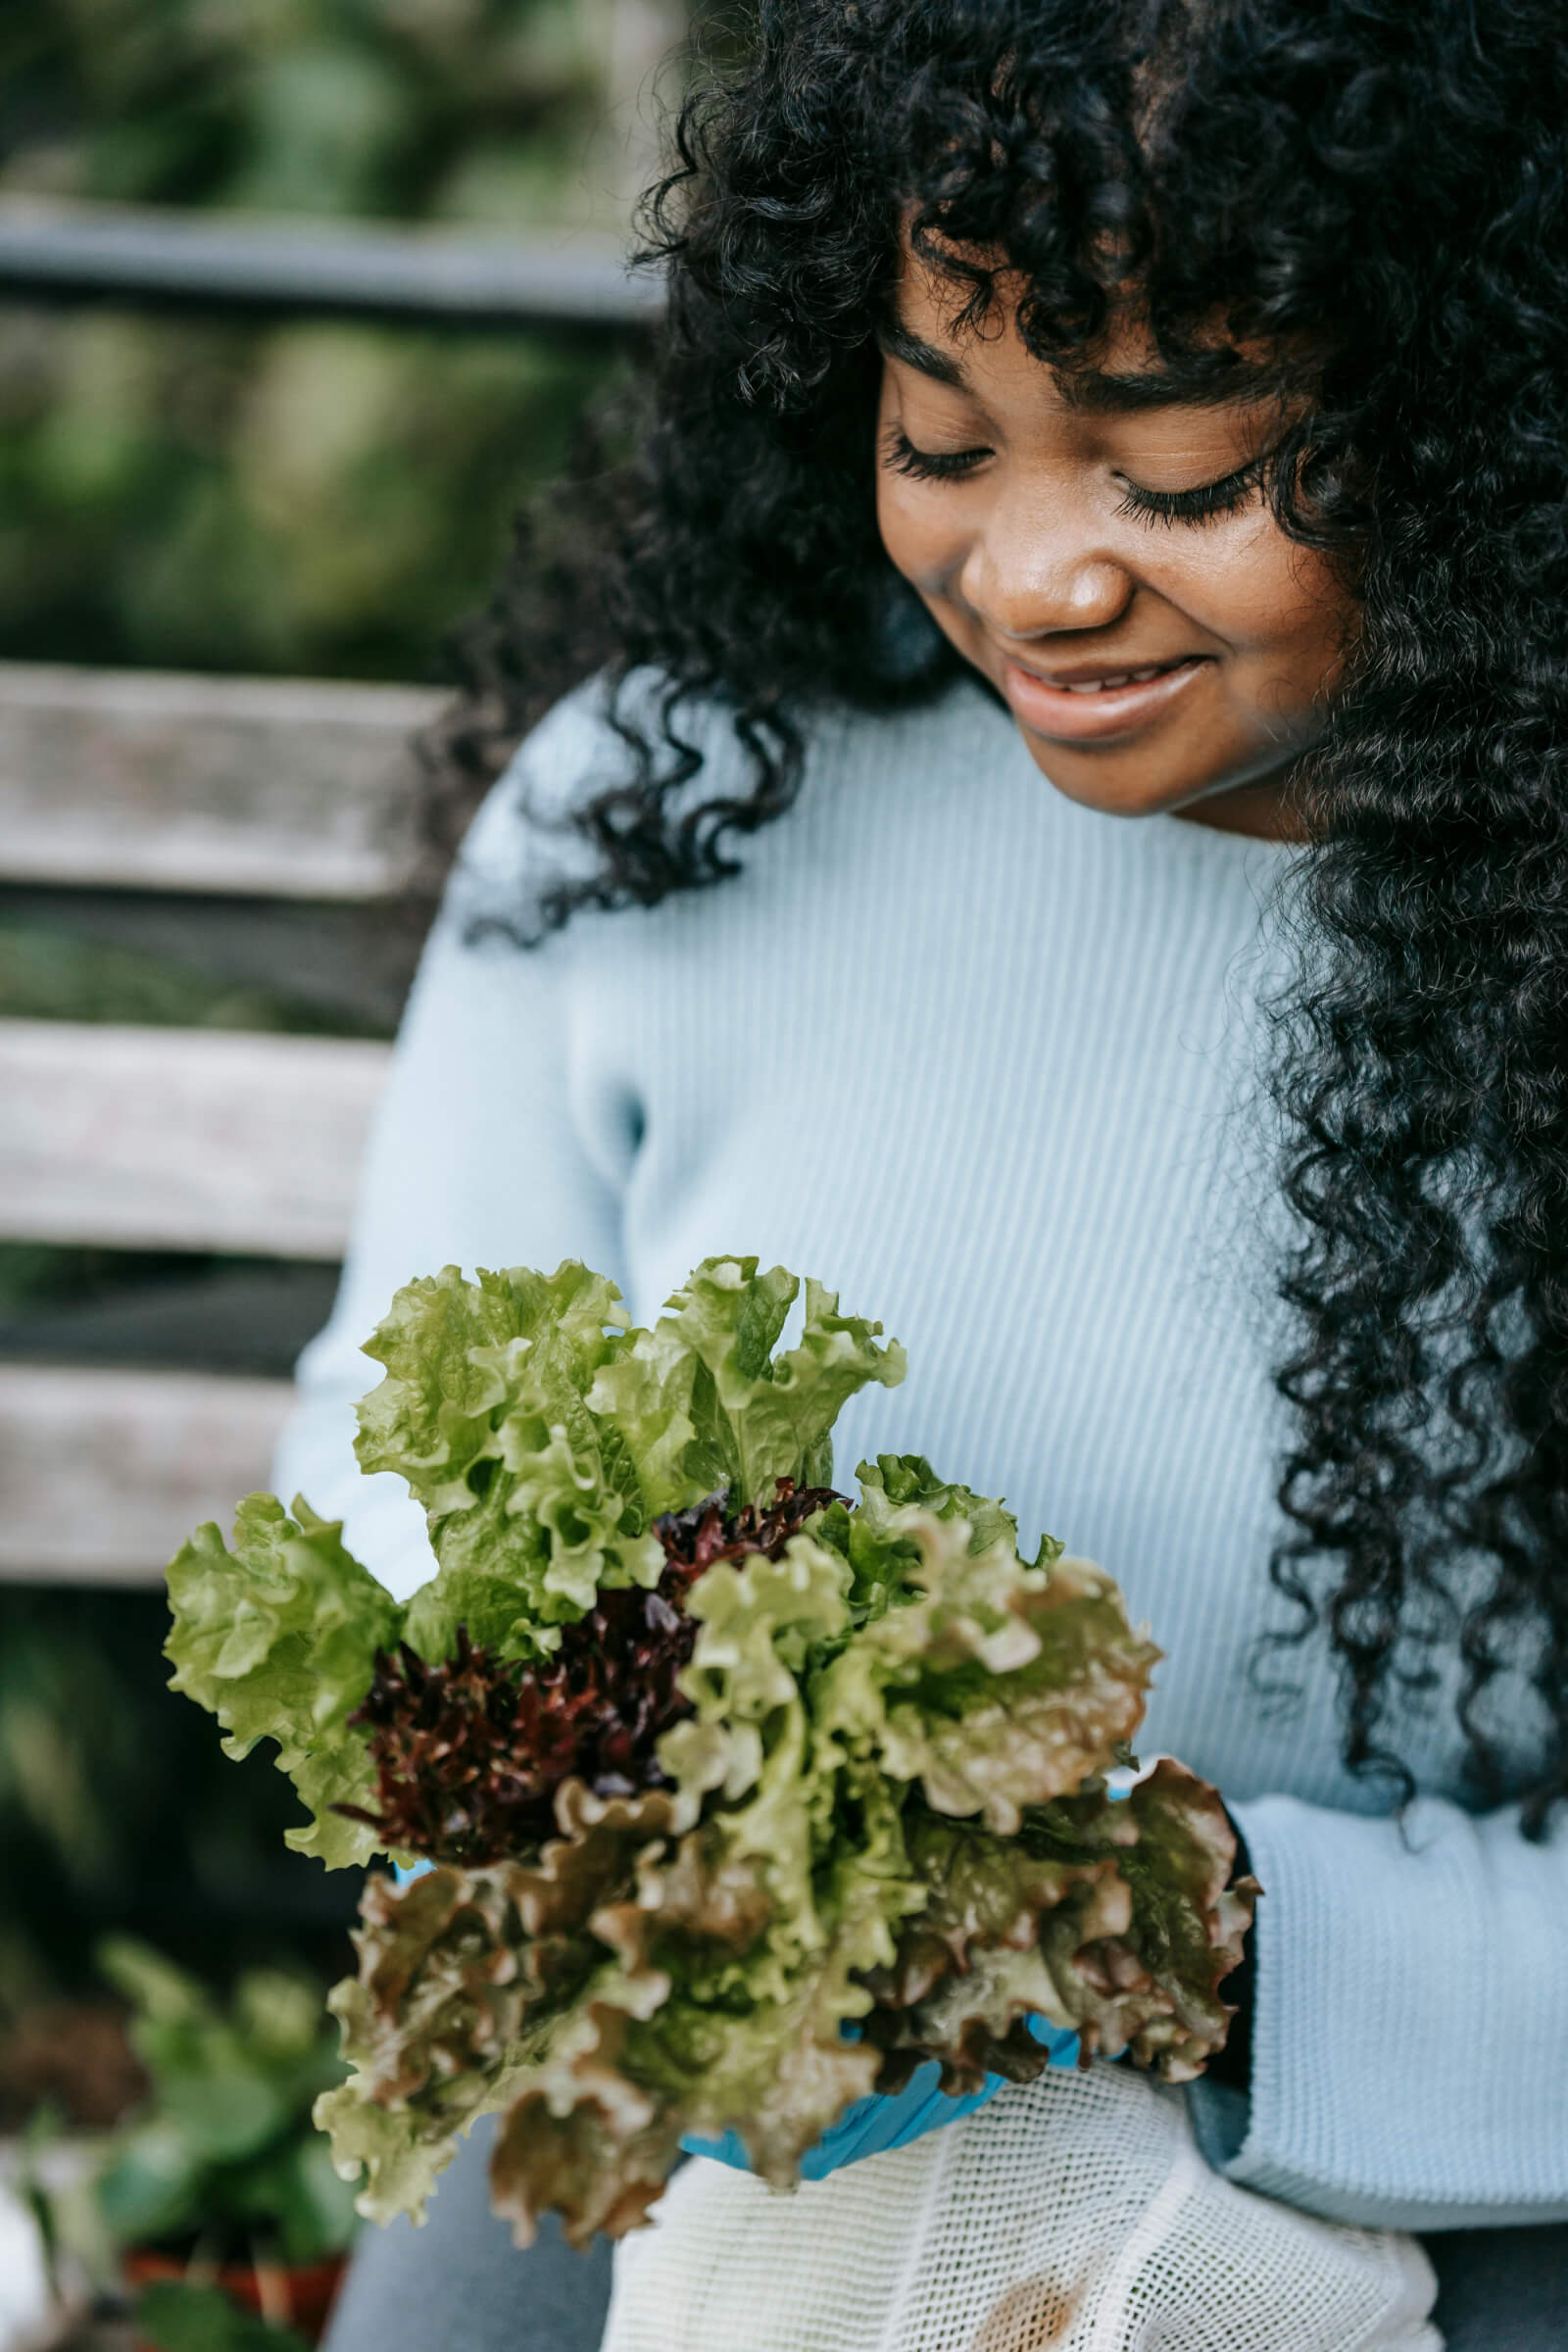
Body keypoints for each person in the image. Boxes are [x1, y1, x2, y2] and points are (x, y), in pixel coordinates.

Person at [276, 0, 1568, 2342]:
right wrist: (590, 1784)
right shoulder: (668, 802)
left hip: (1436, 2170)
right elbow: (383, 1462)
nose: (1037, 578)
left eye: (1180, 476)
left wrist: (1153, 1935)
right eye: (939, 436)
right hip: (713, 2109)